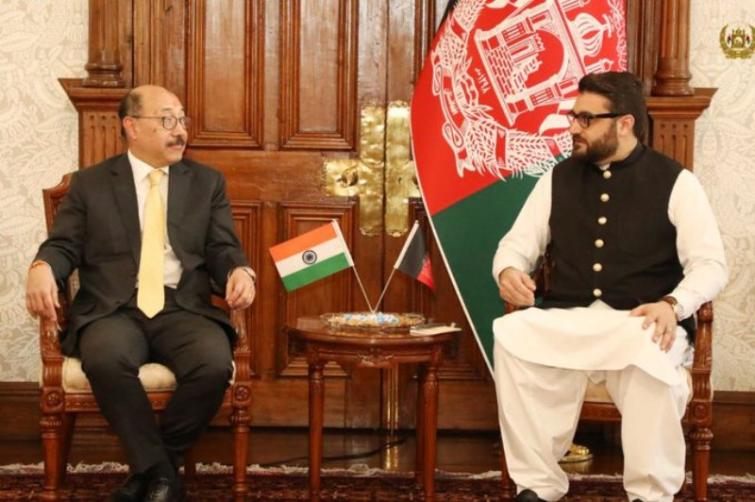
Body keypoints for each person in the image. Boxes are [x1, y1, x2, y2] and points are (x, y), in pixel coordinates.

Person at [491, 72, 727, 502]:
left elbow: (710, 265)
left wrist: (673, 304)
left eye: (586, 119)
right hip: (571, 321)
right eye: (573, 116)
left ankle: (650, 495)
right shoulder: (556, 179)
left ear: (624, 123)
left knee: (649, 350)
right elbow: (515, 244)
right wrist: (508, 270)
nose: (573, 127)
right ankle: (537, 486)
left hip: (639, 323)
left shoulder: (676, 182)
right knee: (512, 334)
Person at [25, 85, 256, 502]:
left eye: (182, 119)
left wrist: (239, 270)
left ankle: (149, 473)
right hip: (113, 309)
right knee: (105, 359)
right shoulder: (91, 184)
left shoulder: (206, 183)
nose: (180, 130)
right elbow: (63, 245)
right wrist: (42, 267)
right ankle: (163, 475)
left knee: (212, 365)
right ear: (132, 127)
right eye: (167, 120)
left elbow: (222, 247)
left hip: (182, 307)